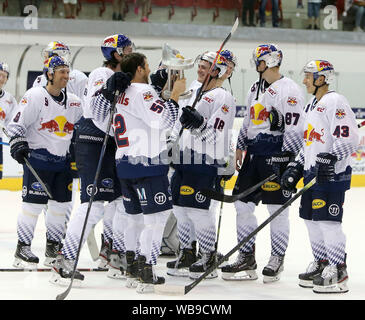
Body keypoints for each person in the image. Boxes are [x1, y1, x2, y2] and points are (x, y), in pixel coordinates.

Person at [91, 52, 186, 293]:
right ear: (141, 69)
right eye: (147, 65)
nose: (150, 69)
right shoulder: (143, 92)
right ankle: (147, 270)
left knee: (133, 219)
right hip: (148, 164)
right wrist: (175, 95)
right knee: (157, 219)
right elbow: (162, 121)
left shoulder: (120, 93)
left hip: (125, 163)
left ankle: (132, 268)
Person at [50, 34, 134, 285]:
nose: (131, 53)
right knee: (93, 203)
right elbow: (95, 110)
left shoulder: (121, 76)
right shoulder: (101, 73)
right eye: (127, 50)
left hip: (109, 143)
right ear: (116, 54)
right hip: (94, 141)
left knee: (120, 199)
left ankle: (113, 251)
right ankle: (65, 259)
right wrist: (110, 91)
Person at [221, 44, 305, 283]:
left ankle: (277, 257)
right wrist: (240, 146)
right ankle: (246, 257)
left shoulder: (289, 90)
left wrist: (289, 162)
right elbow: (247, 119)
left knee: (276, 210)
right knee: (242, 205)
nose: (254, 63)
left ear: (269, 61)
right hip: (253, 156)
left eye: (258, 59)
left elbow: (295, 129)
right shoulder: (254, 87)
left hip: (275, 156)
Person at [281, 60, 359, 294]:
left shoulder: (335, 101)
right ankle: (322, 262)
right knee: (311, 219)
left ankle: (338, 269)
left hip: (332, 176)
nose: (304, 80)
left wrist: (331, 158)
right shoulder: (311, 106)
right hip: (312, 173)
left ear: (322, 78)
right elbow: (310, 143)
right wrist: (297, 165)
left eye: (308, 76)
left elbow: (350, 139)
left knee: (327, 222)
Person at [7, 56, 83, 269]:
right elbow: (16, 124)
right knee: (32, 206)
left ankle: (53, 247)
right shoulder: (36, 96)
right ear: (49, 74)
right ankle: (22, 248)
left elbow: (86, 123)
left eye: (68, 72)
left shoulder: (75, 102)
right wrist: (18, 143)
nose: (66, 76)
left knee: (60, 208)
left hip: (63, 163)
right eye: (61, 72)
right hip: (38, 161)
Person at [167, 51, 236, 281]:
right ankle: (187, 252)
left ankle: (208, 255)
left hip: (206, 160)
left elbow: (216, 134)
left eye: (206, 66)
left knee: (198, 210)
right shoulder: (196, 92)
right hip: (184, 157)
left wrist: (198, 123)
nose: (200, 69)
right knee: (179, 206)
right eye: (201, 65)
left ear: (216, 71)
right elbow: (179, 121)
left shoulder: (222, 97)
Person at [32, 41, 88, 266]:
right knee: (47, 196)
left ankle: (59, 237)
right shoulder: (41, 78)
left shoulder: (79, 78)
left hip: (72, 142)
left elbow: (84, 110)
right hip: (48, 142)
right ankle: (54, 239)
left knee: (64, 194)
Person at [0, 62, 18, 180]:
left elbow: (12, 123)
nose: (1, 78)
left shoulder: (9, 99)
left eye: (4, 76)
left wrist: (16, 138)